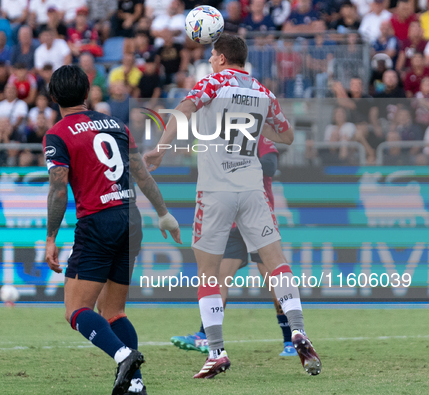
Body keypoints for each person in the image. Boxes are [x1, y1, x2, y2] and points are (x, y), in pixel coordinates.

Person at [143, 33, 321, 378]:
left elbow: (183, 109)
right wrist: (253, 129)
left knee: (208, 273)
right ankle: (297, 328)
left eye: (212, 55)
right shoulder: (262, 91)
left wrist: (160, 150)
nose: (210, 59)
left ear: (223, 58)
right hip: (253, 189)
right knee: (277, 264)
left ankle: (216, 352)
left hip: (215, 190)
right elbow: (286, 136)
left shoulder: (213, 83)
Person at [43, 65, 181, 395]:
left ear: (53, 97)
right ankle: (135, 385)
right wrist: (163, 213)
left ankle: (123, 355)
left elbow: (58, 189)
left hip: (98, 222)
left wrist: (50, 237)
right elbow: (142, 174)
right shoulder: (116, 124)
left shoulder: (58, 134)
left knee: (76, 310)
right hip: (130, 217)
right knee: (115, 311)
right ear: (88, 91)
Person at [171, 135, 297, 358]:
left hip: (257, 218)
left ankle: (291, 340)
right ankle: (204, 336)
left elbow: (270, 165)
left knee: (273, 281)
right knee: (219, 278)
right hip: (231, 222)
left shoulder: (259, 137)